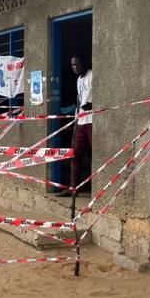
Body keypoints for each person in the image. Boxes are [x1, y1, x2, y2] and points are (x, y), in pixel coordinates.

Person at [56, 54, 93, 197]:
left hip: (92, 121)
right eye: (72, 65)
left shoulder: (92, 75)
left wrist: (92, 105)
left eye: (77, 64)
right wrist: (76, 119)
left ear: (83, 63)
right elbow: (79, 99)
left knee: (94, 155)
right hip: (81, 122)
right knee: (75, 155)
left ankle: (95, 188)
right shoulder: (78, 80)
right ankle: (73, 189)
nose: (75, 67)